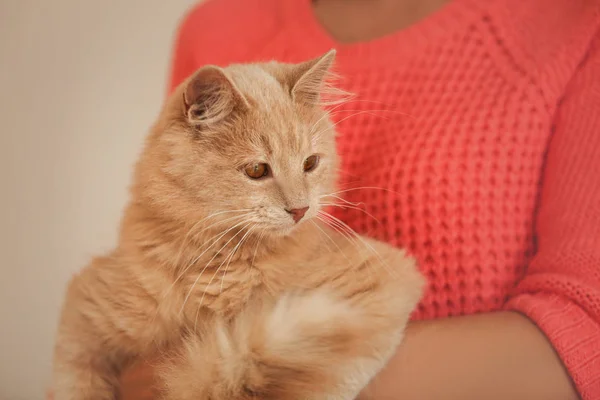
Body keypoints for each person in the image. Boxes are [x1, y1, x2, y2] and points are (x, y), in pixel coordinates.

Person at [114, 0, 600, 399]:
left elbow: (585, 329)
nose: (298, 204)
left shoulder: (572, 21)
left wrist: (240, 376)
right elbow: (171, 271)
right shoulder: (217, 28)